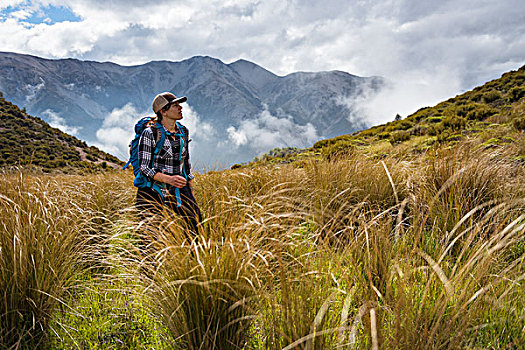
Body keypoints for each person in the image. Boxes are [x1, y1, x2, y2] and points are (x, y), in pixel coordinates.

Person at [135, 92, 202, 239]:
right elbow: (144, 168)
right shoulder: (150, 133)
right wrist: (168, 179)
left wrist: (189, 187)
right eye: (175, 105)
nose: (180, 108)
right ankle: (149, 262)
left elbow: (186, 160)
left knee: (195, 223)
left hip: (179, 187)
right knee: (148, 235)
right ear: (163, 111)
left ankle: (193, 258)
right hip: (151, 189)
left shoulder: (183, 131)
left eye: (179, 105)